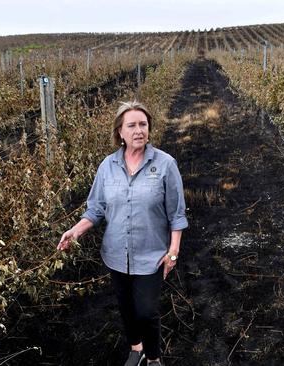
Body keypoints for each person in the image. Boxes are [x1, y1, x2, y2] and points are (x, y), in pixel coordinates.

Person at [57, 100, 188, 366]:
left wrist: (172, 253)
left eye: (143, 124)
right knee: (126, 307)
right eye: (132, 125)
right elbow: (95, 209)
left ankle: (153, 358)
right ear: (120, 132)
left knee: (147, 311)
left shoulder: (165, 165)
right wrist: (75, 231)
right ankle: (136, 348)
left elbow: (177, 214)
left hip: (151, 255)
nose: (139, 130)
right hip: (116, 254)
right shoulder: (107, 166)